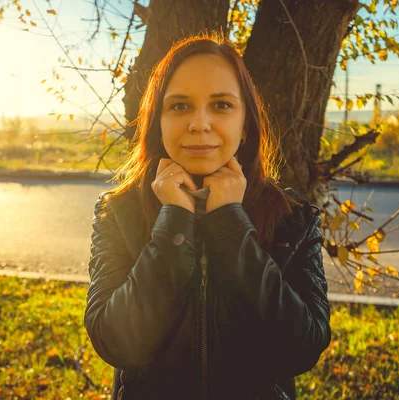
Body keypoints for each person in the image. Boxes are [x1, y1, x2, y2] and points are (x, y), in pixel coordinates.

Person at [84, 33, 331, 400]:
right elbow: (118, 344)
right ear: (158, 122)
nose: (200, 124)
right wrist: (174, 224)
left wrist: (230, 224)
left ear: (246, 124)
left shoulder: (292, 219)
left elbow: (300, 348)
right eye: (180, 106)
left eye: (221, 105)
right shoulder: (119, 213)